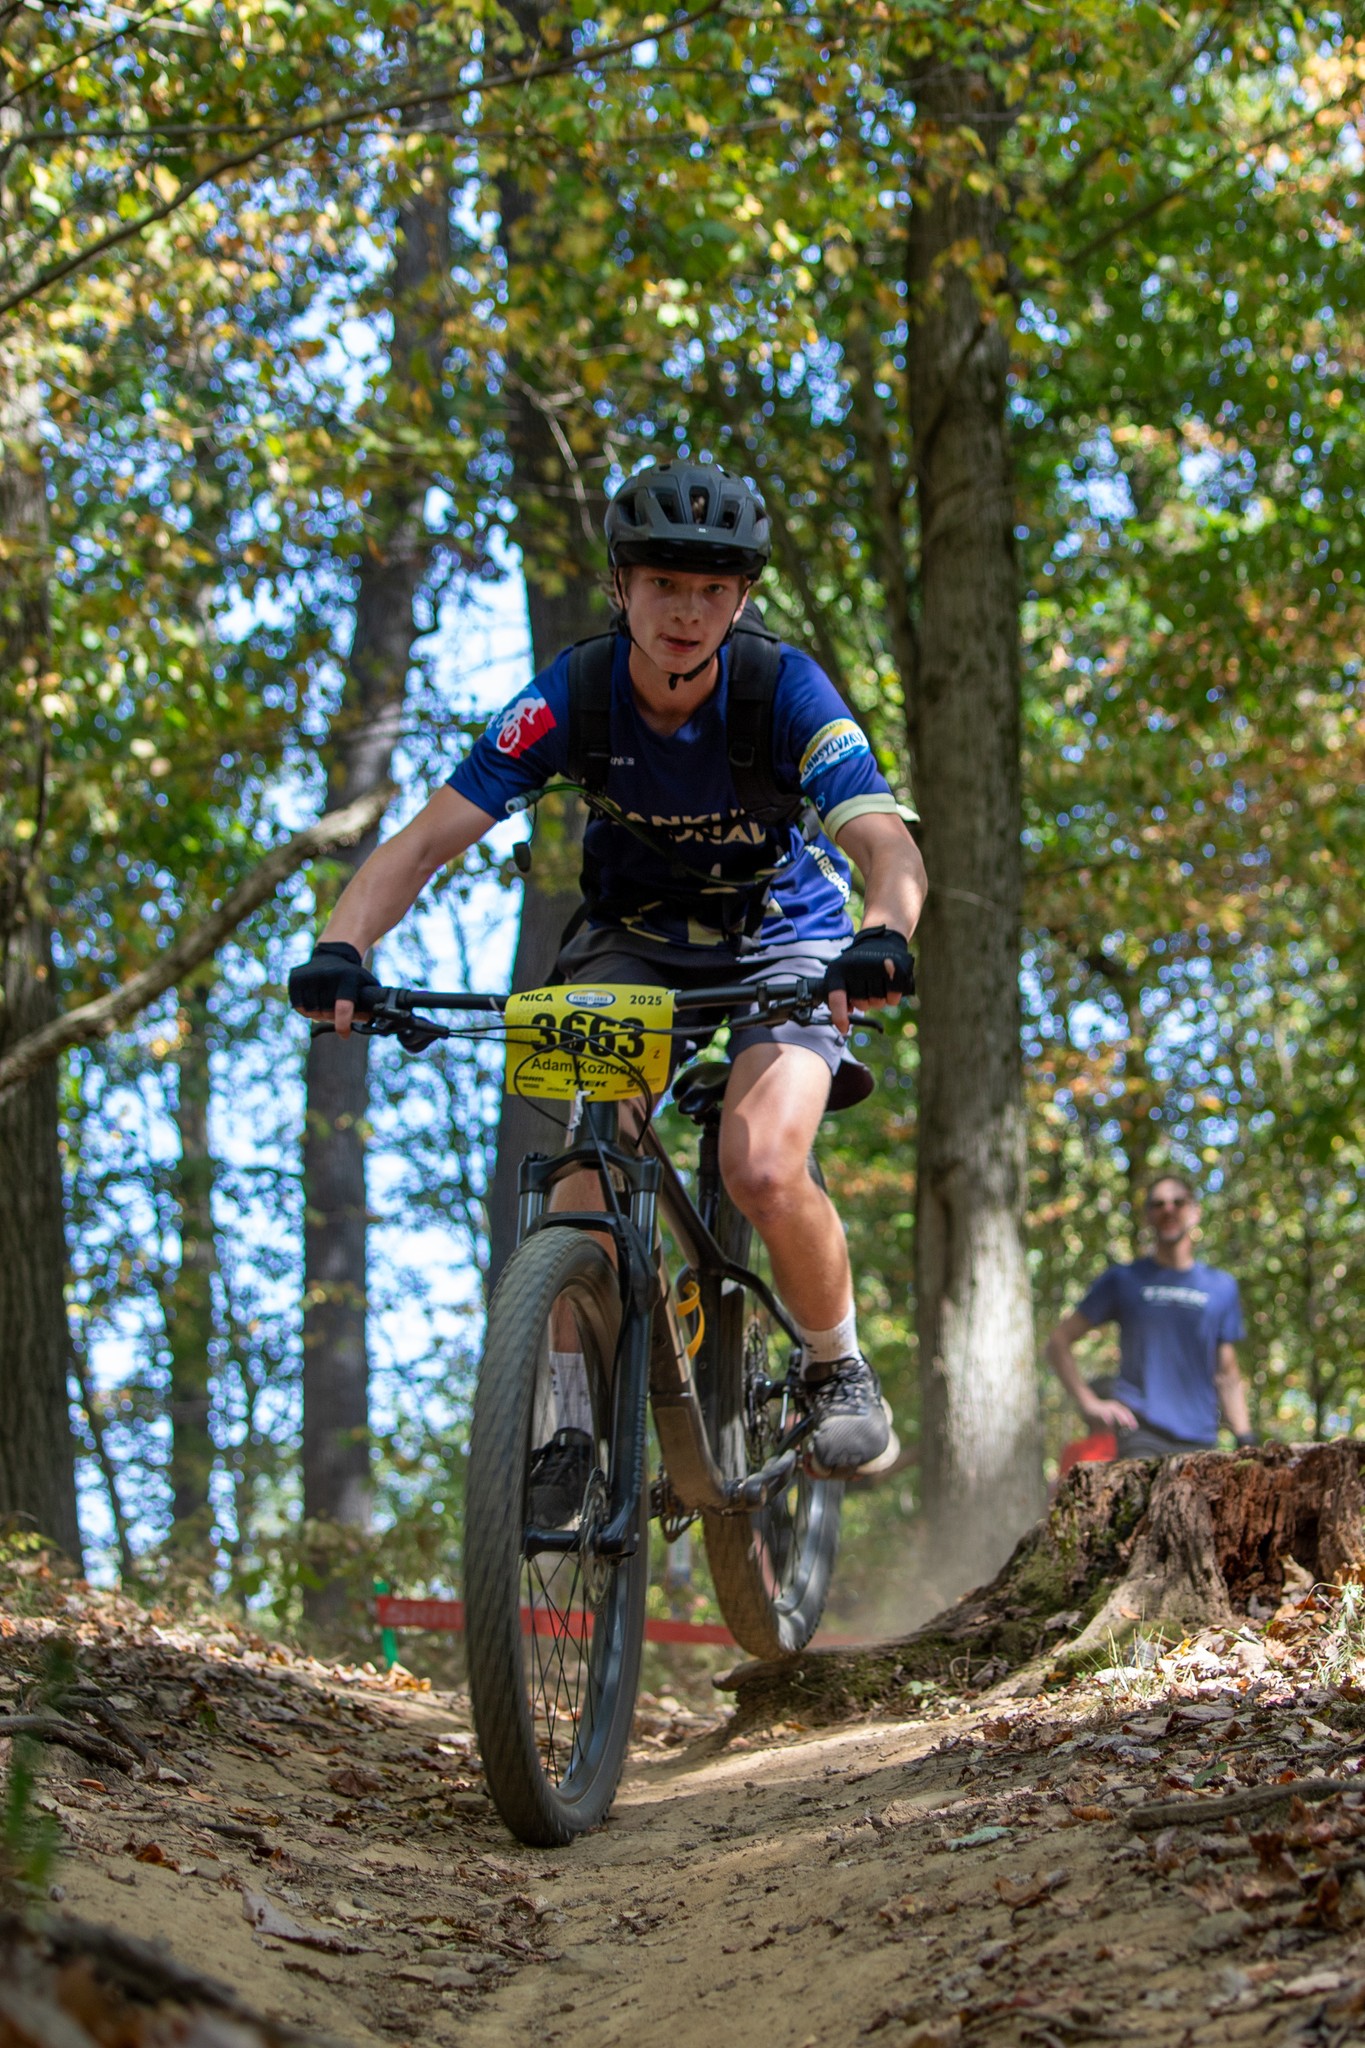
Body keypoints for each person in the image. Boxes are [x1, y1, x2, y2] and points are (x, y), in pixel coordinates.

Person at [288, 459, 927, 1480]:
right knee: (581, 1184)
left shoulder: (780, 688)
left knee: (761, 1162)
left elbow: (888, 847)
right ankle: (573, 1424)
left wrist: (884, 931)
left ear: (742, 599)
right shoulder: (571, 698)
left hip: (784, 931)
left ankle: (836, 1364)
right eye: (663, 583)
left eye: (711, 589)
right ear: (621, 586)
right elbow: (418, 844)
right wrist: (341, 950)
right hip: (635, 936)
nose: (686, 610)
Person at [1046, 1174, 1257, 1458]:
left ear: (1194, 1213)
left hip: (1202, 1438)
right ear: (1148, 1216)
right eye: (1158, 1204)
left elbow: (1227, 1373)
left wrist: (1245, 1438)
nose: (1168, 1209)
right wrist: (1090, 1403)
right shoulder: (1124, 1280)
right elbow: (1058, 1341)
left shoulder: (1221, 1287)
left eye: (1178, 1202)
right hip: (1140, 1434)